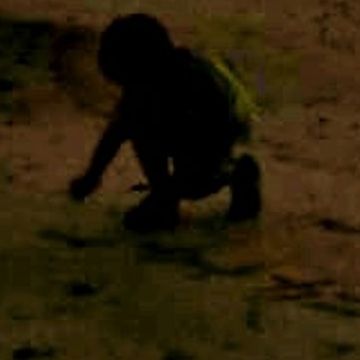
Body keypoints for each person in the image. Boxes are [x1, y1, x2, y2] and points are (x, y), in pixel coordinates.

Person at [69, 13, 258, 232]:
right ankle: (164, 198)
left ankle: (238, 172)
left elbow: (217, 126)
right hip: (179, 125)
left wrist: (184, 179)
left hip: (212, 126)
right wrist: (92, 177)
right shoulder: (141, 90)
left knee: (197, 183)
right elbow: (115, 134)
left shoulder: (193, 81)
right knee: (139, 128)